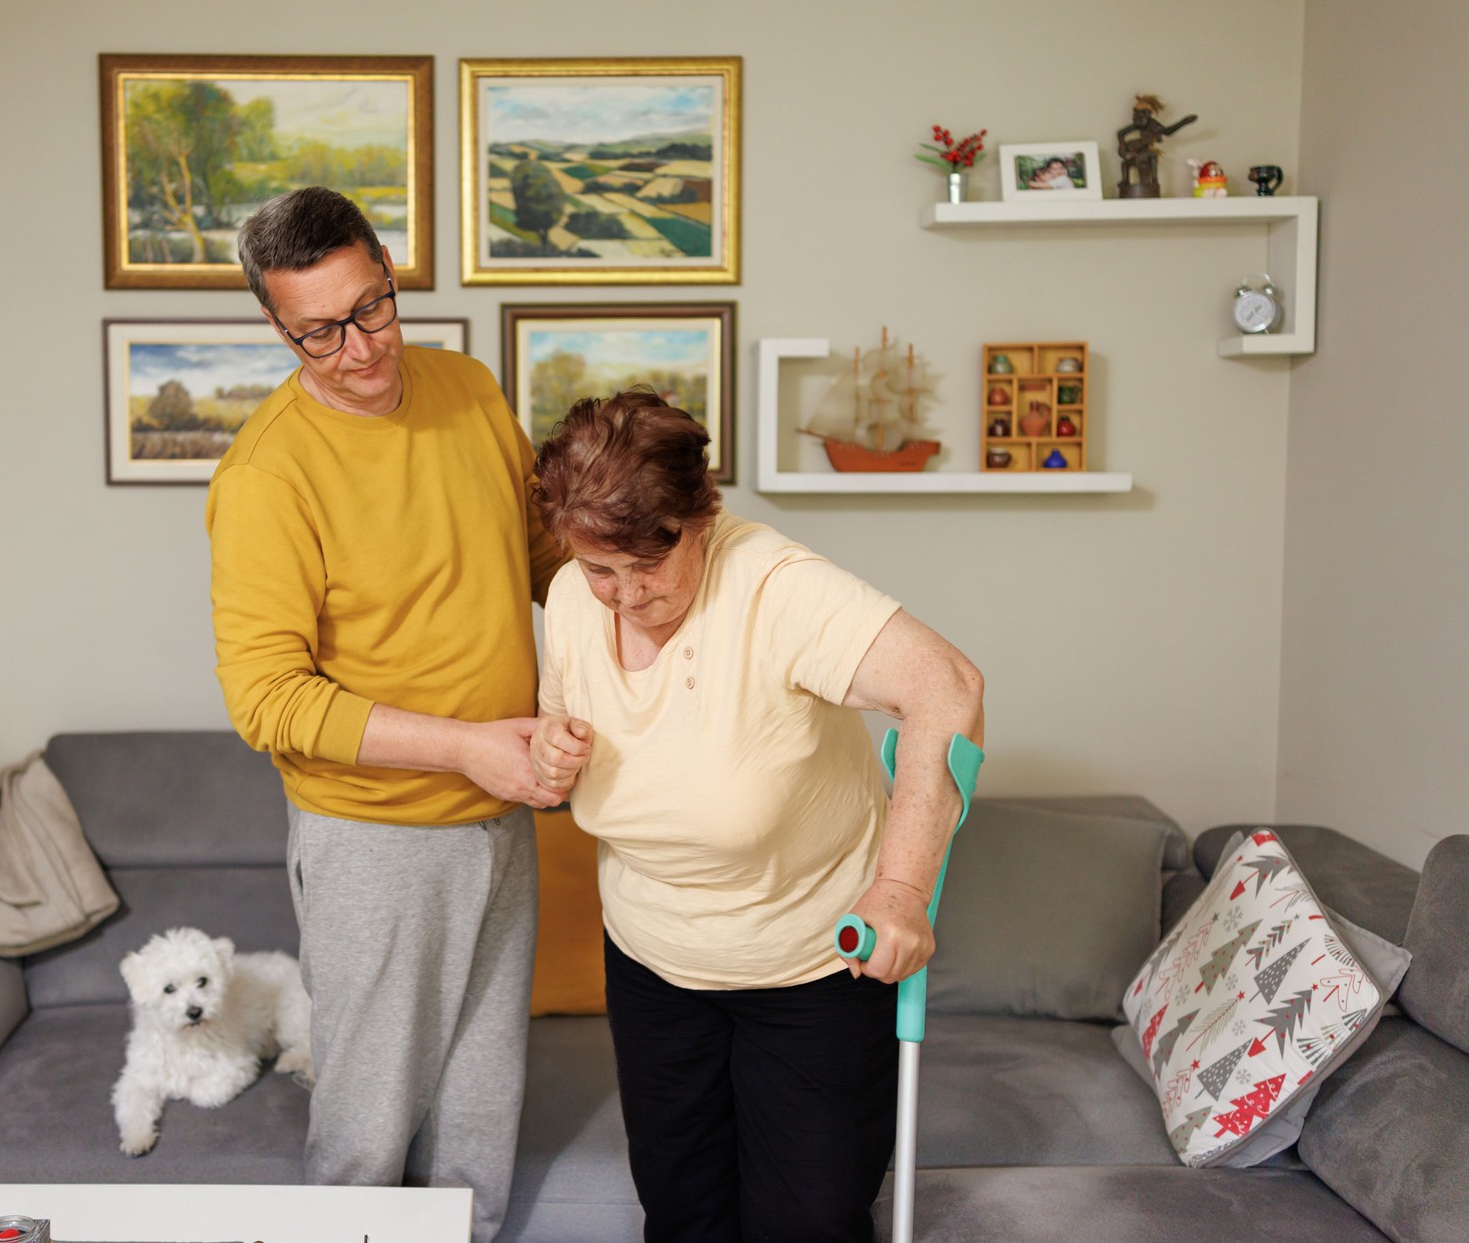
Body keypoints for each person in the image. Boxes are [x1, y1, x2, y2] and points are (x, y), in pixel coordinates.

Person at [528, 390, 985, 1243]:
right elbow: (568, 729)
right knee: (682, 1213)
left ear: (702, 519)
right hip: (651, 962)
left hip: (812, 969)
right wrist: (552, 750)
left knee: (807, 1224)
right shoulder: (568, 599)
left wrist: (899, 887)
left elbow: (947, 688)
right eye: (600, 569)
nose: (623, 596)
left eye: (649, 564)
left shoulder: (777, 589)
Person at [206, 187, 569, 1243]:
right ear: (278, 327)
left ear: (390, 274)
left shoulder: (466, 389)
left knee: (479, 1123)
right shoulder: (268, 475)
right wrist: (468, 748)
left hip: (499, 819)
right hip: (376, 839)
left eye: (372, 309)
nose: (359, 348)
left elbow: (543, 563)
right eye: (319, 332)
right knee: (366, 1140)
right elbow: (268, 699)